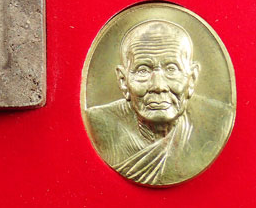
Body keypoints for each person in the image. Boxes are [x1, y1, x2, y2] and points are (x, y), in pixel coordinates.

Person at [85, 20, 233, 185]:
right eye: (143, 70)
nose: (158, 86)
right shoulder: (100, 125)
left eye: (171, 69)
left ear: (192, 78)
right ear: (123, 81)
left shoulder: (218, 121)